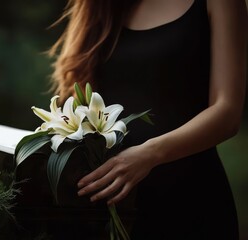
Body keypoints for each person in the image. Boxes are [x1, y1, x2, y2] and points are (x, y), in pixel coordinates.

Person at [48, 0, 247, 239]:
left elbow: (227, 112)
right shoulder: (98, 6)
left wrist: (149, 154)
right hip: (107, 209)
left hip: (188, 202)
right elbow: (75, 104)